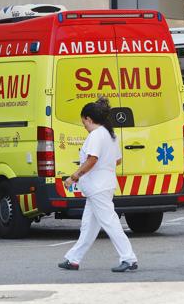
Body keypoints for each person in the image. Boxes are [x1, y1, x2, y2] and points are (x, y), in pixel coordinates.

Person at [58, 97, 138, 272]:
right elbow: (117, 160)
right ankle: (73, 259)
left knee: (110, 223)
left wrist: (74, 176)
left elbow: (92, 159)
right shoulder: (110, 134)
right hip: (103, 186)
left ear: (89, 118)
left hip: (97, 188)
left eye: (83, 121)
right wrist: (102, 167)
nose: (84, 125)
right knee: (88, 226)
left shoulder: (96, 135)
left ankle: (129, 259)